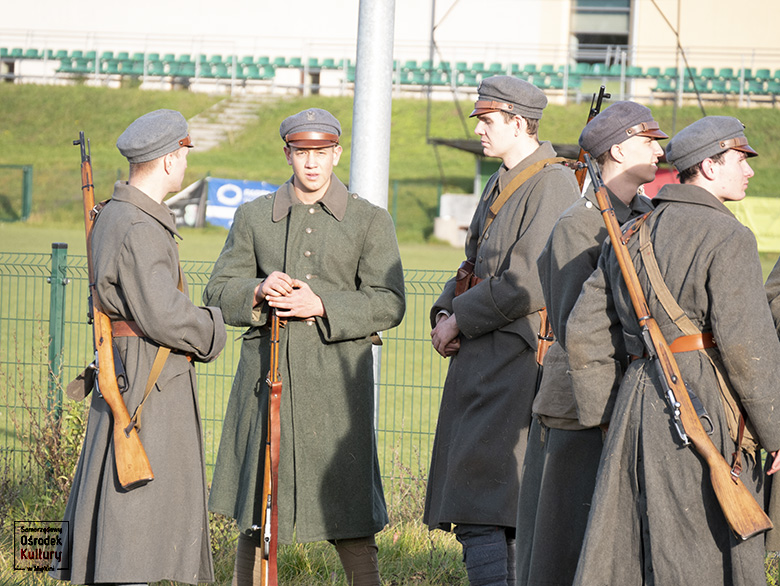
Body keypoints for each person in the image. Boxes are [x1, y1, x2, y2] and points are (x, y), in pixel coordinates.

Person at [566, 115, 780, 585]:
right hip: (705, 402)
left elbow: (583, 330)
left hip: (635, 400)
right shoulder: (729, 236)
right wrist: (776, 432)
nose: (748, 171)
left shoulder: (630, 233)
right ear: (709, 166)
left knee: (632, 553)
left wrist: (608, 417)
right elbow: (748, 347)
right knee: (703, 552)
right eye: (739, 160)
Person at [204, 108, 405, 586]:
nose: (311, 163)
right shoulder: (254, 216)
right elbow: (217, 291)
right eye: (301, 152)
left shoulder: (369, 220)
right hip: (265, 381)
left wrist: (322, 304)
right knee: (256, 511)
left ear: (337, 153)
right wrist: (257, 289)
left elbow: (390, 302)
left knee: (350, 514)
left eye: (321, 152)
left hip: (338, 389)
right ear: (287, 154)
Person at [50, 109, 227, 585]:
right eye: (183, 155)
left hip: (132, 370)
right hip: (148, 379)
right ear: (169, 160)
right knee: (136, 521)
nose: (185, 164)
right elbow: (164, 313)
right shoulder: (140, 226)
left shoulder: (116, 213)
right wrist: (213, 327)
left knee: (129, 513)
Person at [425, 75, 580, 586]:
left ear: (518, 123)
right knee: (486, 505)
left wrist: (460, 318)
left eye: (488, 121)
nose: (480, 130)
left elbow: (527, 282)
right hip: (483, 358)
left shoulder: (552, 183)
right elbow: (473, 264)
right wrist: (443, 312)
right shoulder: (502, 178)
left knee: (486, 504)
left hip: (515, 363)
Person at [515, 101, 667, 586]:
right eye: (649, 141)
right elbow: (571, 325)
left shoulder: (648, 217)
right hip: (581, 405)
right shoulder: (578, 225)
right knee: (564, 542)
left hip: (632, 395)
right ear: (618, 150)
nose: (659, 151)